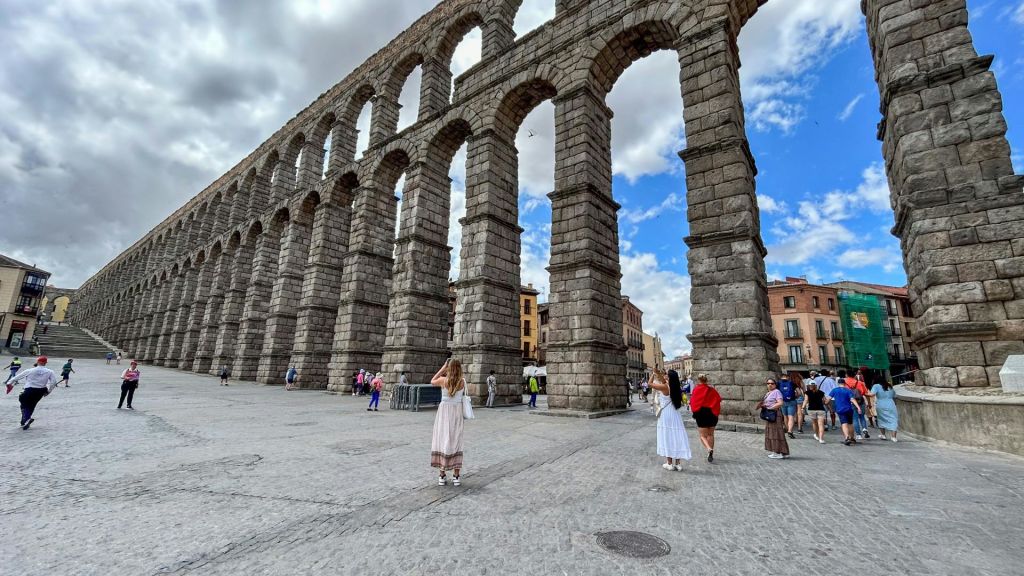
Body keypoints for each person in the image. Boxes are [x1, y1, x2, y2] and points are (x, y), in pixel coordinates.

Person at [429, 359, 466, 486]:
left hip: (444, 412)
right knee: (456, 441)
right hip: (457, 413)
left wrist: (442, 369)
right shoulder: (462, 382)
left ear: (449, 368)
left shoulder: (442, 380)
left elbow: (432, 381)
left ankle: (442, 475)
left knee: (442, 439)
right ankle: (456, 476)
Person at [649, 369, 691, 471]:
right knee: (676, 436)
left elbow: (650, 384)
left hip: (666, 414)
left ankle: (669, 463)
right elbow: (663, 380)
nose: (665, 376)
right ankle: (678, 463)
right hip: (675, 414)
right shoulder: (676, 386)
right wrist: (658, 373)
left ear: (669, 377)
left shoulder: (665, 387)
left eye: (667, 375)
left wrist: (653, 375)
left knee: (667, 436)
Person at [6, 356, 58, 430]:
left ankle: (27, 419)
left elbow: (16, 377)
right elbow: (53, 382)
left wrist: (9, 383)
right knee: (32, 405)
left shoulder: (30, 370)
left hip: (29, 389)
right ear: (45, 363)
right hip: (41, 391)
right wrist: (48, 391)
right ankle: (24, 421)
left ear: (37, 362)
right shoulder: (50, 372)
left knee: (23, 402)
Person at [688, 374, 721, 463]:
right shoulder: (712, 390)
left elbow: (693, 402)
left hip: (701, 414)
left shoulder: (696, 389)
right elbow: (718, 400)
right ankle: (710, 453)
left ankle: (709, 449)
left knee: (702, 436)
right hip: (712, 413)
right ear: (706, 380)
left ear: (699, 380)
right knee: (711, 434)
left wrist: (695, 412)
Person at [758, 378, 789, 459]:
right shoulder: (768, 393)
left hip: (775, 414)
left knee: (776, 433)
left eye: (772, 383)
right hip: (770, 414)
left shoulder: (777, 392)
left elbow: (780, 403)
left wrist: (770, 408)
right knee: (771, 433)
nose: (770, 385)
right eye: (768, 383)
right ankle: (778, 451)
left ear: (775, 385)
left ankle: (778, 452)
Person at [828, 377, 862, 446]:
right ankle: (852, 438)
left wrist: (826, 403)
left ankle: (847, 438)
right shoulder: (848, 390)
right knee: (850, 423)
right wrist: (858, 407)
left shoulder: (834, 390)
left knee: (844, 424)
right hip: (849, 409)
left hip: (840, 409)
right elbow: (852, 399)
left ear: (838, 383)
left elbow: (828, 399)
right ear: (844, 383)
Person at [842, 370, 871, 440]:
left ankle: (858, 434)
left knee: (855, 418)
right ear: (854, 375)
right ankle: (864, 429)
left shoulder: (844, 383)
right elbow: (865, 393)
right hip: (861, 401)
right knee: (862, 417)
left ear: (846, 375)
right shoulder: (860, 383)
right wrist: (869, 403)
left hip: (850, 402)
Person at [871, 376, 899, 442]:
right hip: (891, 404)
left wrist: (863, 393)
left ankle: (883, 435)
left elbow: (872, 394)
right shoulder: (889, 386)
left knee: (881, 419)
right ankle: (894, 437)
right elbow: (894, 396)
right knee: (893, 419)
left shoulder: (876, 386)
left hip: (881, 404)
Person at [777, 373, 799, 439]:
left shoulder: (778, 383)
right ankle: (790, 431)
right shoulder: (792, 383)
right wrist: (795, 397)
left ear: (781, 377)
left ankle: (787, 428)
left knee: (785, 416)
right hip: (791, 401)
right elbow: (799, 392)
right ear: (787, 377)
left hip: (782, 402)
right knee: (791, 416)